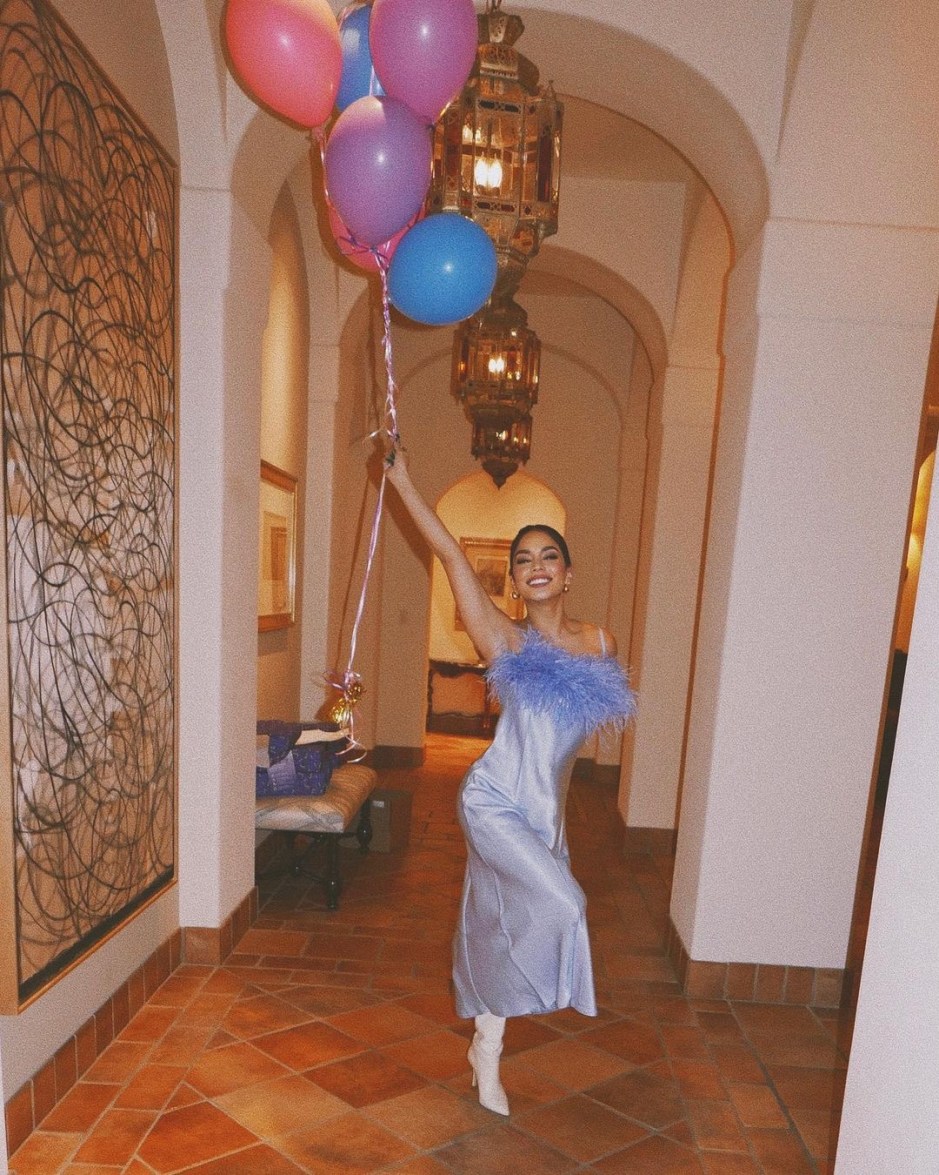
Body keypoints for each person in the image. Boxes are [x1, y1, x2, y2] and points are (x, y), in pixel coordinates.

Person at [384, 447, 636, 1116]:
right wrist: (403, 480)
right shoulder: (503, 639)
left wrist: (557, 815)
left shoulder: (600, 644)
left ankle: (486, 1048)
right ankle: (491, 1038)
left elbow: (570, 746)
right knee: (565, 904)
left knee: (507, 922)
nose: (535, 565)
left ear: (567, 572)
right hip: (494, 799)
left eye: (548, 555)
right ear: (516, 580)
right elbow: (448, 553)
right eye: (523, 559)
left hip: (544, 811)